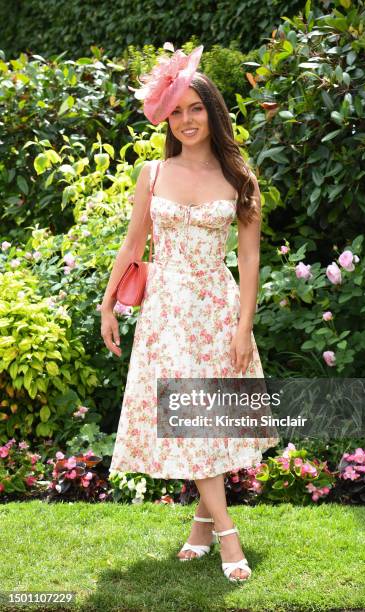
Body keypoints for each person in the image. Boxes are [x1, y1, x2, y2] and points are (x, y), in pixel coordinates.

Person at [100, 43, 279, 582]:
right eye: (175, 111)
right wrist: (108, 305)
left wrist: (244, 328)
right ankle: (228, 535)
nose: (185, 120)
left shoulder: (240, 179)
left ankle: (203, 528)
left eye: (195, 108)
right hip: (166, 317)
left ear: (213, 111)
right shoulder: (152, 174)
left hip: (218, 310)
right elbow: (133, 246)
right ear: (166, 118)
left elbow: (249, 260)